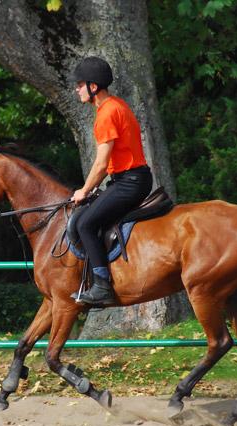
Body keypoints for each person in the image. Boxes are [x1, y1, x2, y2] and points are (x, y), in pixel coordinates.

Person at [70, 56, 153, 306]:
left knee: (84, 223)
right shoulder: (116, 106)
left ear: (93, 87)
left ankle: (102, 286)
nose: (77, 88)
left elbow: (101, 163)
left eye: (80, 83)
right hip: (128, 179)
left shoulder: (107, 113)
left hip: (130, 181)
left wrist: (84, 190)